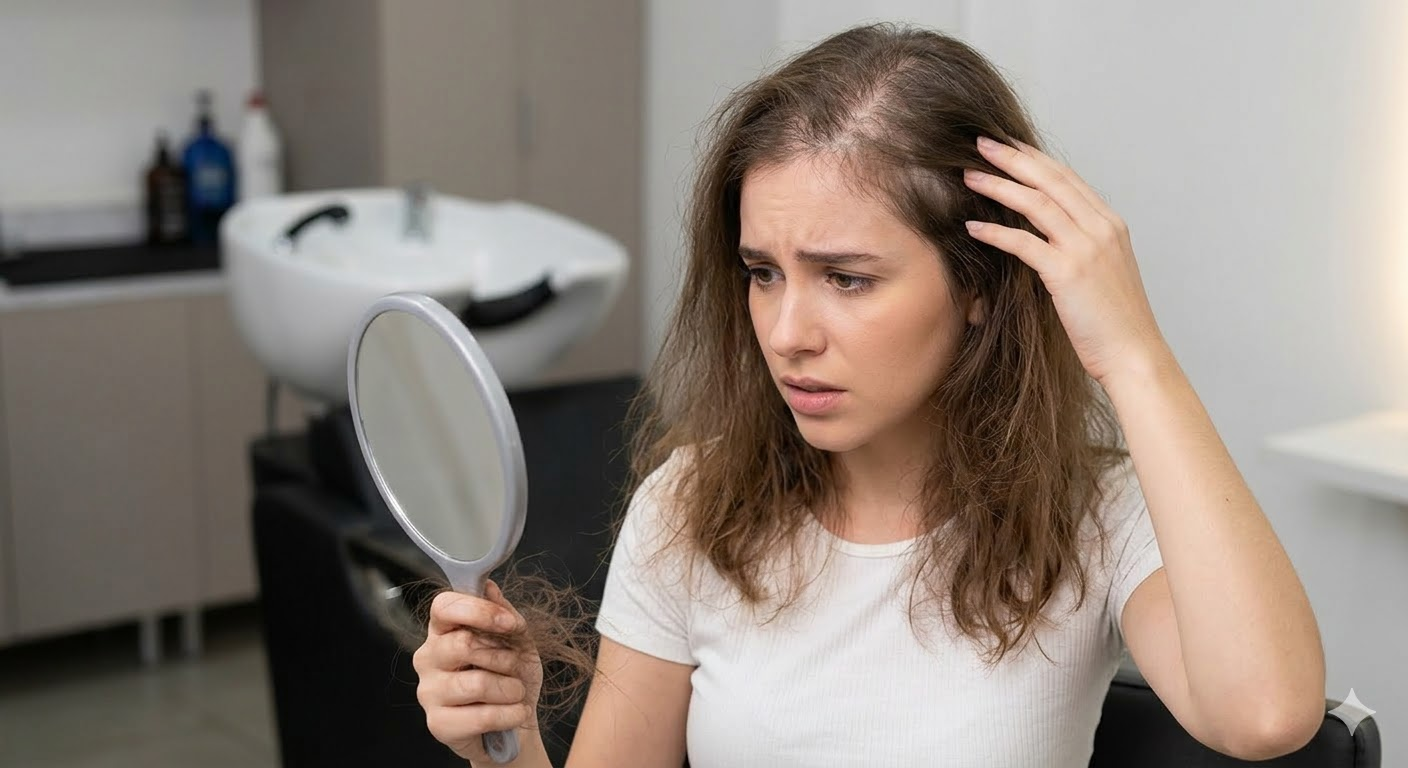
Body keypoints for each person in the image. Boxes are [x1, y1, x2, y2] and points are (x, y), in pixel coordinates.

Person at [412, 21, 1326, 767]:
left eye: (846, 278)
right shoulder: (689, 510)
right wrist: (507, 744)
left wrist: (1134, 353)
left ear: (978, 284)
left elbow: (1264, 716)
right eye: (762, 273)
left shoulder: (1093, 515)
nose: (785, 332)